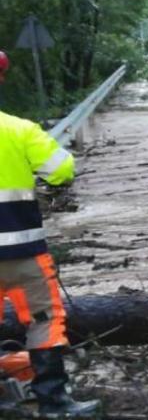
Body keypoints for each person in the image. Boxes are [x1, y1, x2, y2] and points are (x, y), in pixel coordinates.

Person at [0, 50, 100, 417]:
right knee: (43, 323)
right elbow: (61, 170)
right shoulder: (20, 130)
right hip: (24, 253)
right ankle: (54, 404)